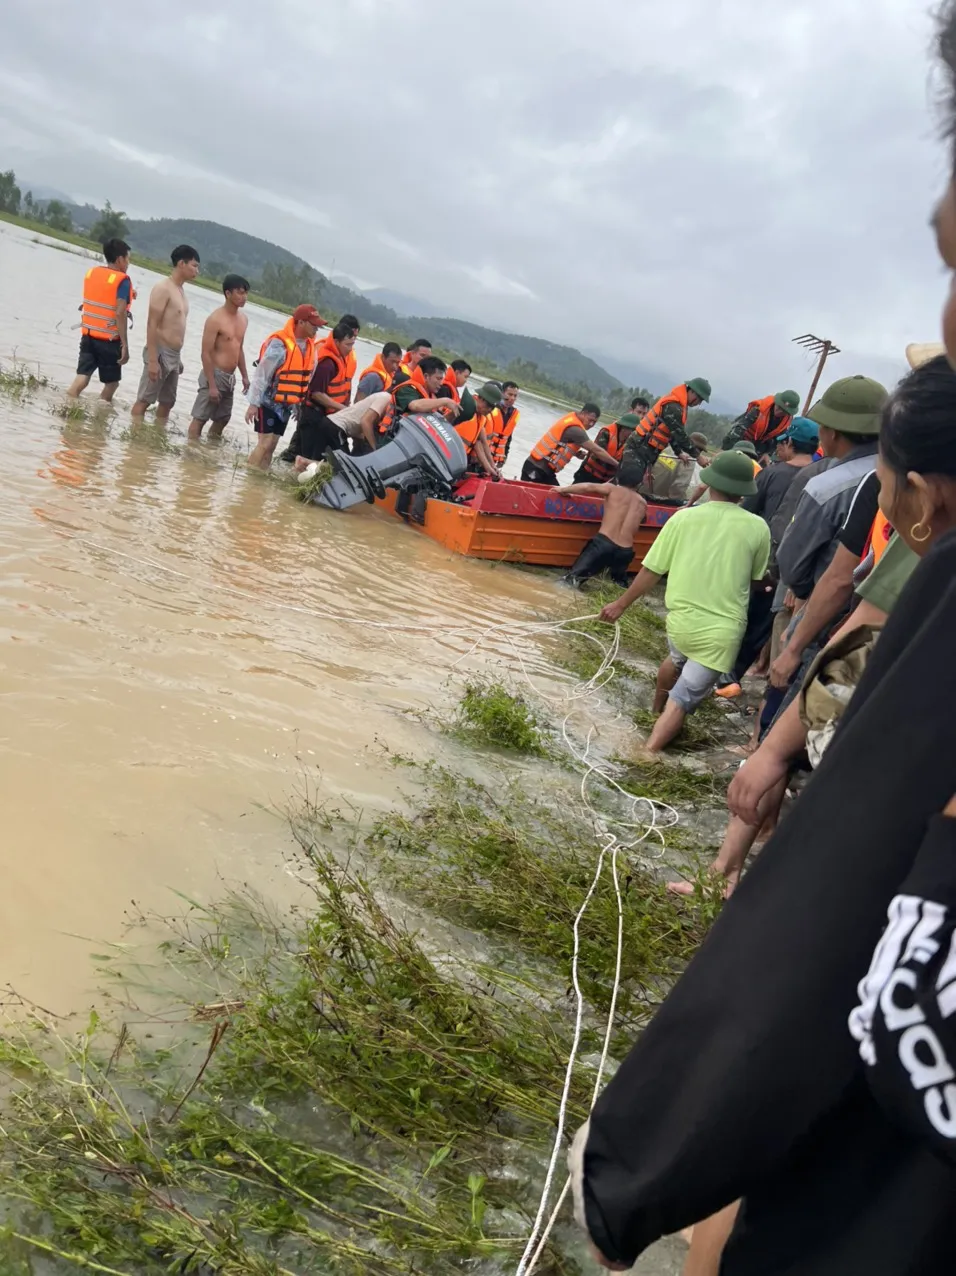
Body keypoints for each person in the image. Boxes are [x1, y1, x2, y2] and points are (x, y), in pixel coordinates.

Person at [599, 450, 770, 753]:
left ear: (710, 483)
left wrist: (620, 605)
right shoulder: (759, 527)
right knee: (681, 701)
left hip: (680, 623)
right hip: (721, 632)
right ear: (744, 491)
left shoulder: (683, 518)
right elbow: (756, 579)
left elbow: (651, 570)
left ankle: (655, 710)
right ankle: (647, 753)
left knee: (676, 659)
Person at [714, 417, 820, 699]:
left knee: (736, 614)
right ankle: (733, 677)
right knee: (763, 625)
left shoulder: (771, 474)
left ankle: (715, 670)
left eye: (782, 442)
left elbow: (744, 513)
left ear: (789, 443)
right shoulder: (821, 478)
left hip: (759, 560)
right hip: (791, 571)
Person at [243, 304, 321, 470]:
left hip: (286, 406)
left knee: (272, 445)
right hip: (267, 402)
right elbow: (262, 374)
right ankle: (247, 476)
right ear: (301, 322)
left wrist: (297, 405)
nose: (317, 328)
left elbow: (306, 379)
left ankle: (260, 477)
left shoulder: (310, 348)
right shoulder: (279, 344)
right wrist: (253, 403)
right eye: (314, 324)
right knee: (264, 443)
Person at [131, 244, 201, 420]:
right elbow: (152, 324)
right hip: (160, 352)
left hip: (174, 355)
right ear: (181, 264)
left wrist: (178, 359)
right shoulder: (163, 288)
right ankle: (134, 433)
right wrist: (153, 360)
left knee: (168, 402)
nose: (197, 271)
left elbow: (175, 325)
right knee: (145, 399)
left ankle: (158, 433)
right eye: (194, 265)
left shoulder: (180, 291)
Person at [281, 315, 360, 462]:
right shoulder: (327, 362)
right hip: (313, 414)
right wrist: (343, 408)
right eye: (348, 344)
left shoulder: (342, 357)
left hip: (326, 416)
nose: (350, 349)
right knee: (303, 457)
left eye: (353, 343)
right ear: (337, 340)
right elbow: (315, 393)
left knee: (308, 456)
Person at [66, 238, 132, 403]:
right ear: (120, 259)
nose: (128, 263)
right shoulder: (123, 280)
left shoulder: (93, 273)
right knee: (112, 383)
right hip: (109, 340)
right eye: (127, 259)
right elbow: (120, 312)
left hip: (88, 335)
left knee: (82, 377)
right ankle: (100, 413)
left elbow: (103, 295)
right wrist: (125, 344)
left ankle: (67, 404)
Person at [560, 464, 648, 587]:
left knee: (570, 581)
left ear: (618, 478)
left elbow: (587, 487)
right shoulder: (642, 503)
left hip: (604, 544)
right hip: (625, 551)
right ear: (639, 483)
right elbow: (642, 520)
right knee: (619, 587)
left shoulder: (612, 489)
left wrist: (563, 490)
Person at [187, 275, 250, 440]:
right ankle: (191, 448)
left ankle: (210, 449)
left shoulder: (243, 319)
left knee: (223, 419)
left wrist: (244, 376)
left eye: (245, 293)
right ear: (228, 294)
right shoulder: (215, 319)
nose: (244, 297)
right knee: (200, 417)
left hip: (230, 378)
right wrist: (212, 385)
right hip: (214, 374)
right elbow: (205, 353)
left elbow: (239, 349)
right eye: (240, 293)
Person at [620, 379, 710, 486]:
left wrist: (678, 452)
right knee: (628, 483)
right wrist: (698, 456)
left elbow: (670, 432)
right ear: (692, 392)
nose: (698, 403)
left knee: (636, 483)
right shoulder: (673, 406)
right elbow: (680, 435)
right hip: (638, 447)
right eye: (699, 399)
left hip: (648, 450)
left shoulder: (680, 406)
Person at [521, 404, 617, 485]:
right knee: (555, 497)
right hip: (536, 469)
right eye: (590, 420)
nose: (591, 424)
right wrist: (617, 464)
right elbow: (597, 450)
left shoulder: (571, 419)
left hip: (541, 470)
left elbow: (558, 445)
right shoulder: (576, 430)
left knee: (556, 496)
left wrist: (575, 453)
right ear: (584, 413)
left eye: (594, 422)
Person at [721, 390, 801, 455]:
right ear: (776, 402)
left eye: (783, 411)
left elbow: (777, 442)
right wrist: (728, 451)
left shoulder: (786, 423)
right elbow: (739, 429)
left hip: (759, 447)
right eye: (779, 407)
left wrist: (767, 454)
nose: (779, 411)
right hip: (742, 440)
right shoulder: (758, 410)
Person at [389, 354, 461, 423]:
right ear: (426, 376)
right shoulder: (407, 388)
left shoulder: (431, 397)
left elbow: (437, 424)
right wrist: (445, 401)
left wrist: (453, 414)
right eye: (438, 378)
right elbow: (415, 405)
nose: (441, 383)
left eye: (442, 379)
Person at [572, 413, 639, 484]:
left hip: (606, 480)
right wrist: (618, 464)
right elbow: (599, 454)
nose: (634, 433)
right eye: (633, 430)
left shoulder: (632, 442)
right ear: (624, 428)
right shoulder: (606, 432)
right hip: (588, 474)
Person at [454, 382, 501, 477]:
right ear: (481, 399)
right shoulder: (465, 409)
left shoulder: (481, 418)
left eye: (493, 408)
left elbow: (481, 443)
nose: (490, 411)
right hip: (450, 454)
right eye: (489, 406)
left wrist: (491, 466)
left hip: (460, 459)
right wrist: (488, 467)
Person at [487, 381, 521, 469]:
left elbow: (508, 438)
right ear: (502, 393)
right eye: (510, 394)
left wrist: (504, 456)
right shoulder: (490, 409)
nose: (512, 398)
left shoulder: (513, 414)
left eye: (515, 396)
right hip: (484, 453)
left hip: (496, 458)